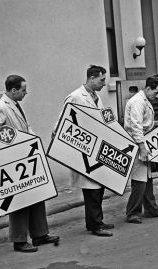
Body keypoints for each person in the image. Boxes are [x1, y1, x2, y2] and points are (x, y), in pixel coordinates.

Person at [0, 75, 59, 252]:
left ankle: (40, 235)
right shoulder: (0, 108)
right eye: (23, 90)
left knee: (37, 195)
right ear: (13, 90)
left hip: (25, 158)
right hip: (12, 162)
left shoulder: (14, 106)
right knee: (19, 201)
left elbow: (25, 128)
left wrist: (35, 145)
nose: (26, 93)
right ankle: (19, 240)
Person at [55, 65, 114, 237]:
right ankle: (95, 225)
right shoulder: (75, 97)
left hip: (97, 149)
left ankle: (97, 221)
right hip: (84, 150)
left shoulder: (96, 97)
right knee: (92, 190)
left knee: (99, 187)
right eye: (102, 80)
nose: (104, 84)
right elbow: (62, 122)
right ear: (92, 78)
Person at [124, 76, 158, 224]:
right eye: (156, 93)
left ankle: (151, 209)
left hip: (142, 141)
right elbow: (136, 126)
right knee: (139, 180)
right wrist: (142, 148)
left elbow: (142, 123)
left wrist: (154, 124)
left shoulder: (144, 100)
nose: (157, 96)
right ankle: (132, 213)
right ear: (148, 88)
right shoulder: (138, 101)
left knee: (147, 178)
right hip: (137, 144)